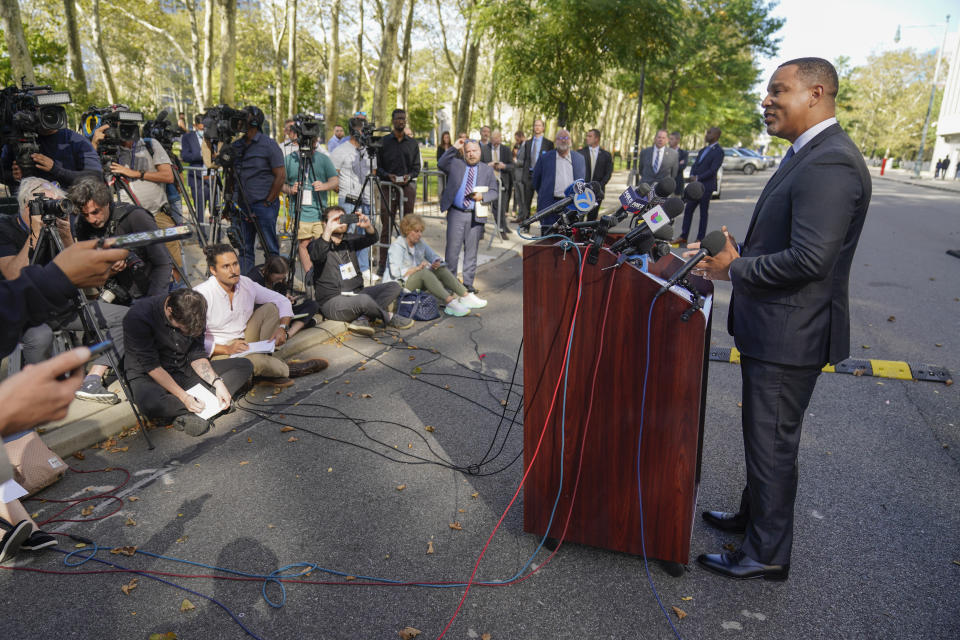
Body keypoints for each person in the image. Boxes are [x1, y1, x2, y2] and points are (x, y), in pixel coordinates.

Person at [690, 57, 871, 581]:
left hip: (791, 334)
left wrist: (736, 267)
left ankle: (766, 552)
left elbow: (812, 260)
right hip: (776, 327)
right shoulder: (808, 153)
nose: (765, 100)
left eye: (778, 90)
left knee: (772, 442)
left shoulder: (831, 162)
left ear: (816, 94)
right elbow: (791, 242)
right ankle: (754, 520)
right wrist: (744, 250)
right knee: (763, 438)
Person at [0, 177, 129, 404]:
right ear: (27, 207)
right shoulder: (5, 229)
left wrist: (67, 235)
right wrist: (35, 233)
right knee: (41, 336)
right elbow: (13, 275)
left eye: (59, 206)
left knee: (126, 317)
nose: (56, 212)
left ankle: (92, 379)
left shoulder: (57, 226)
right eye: (49, 205)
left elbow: (85, 282)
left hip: (60, 307)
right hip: (23, 310)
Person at [123, 288, 253, 436]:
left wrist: (217, 382)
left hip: (182, 367)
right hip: (149, 375)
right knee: (151, 403)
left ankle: (193, 412)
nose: (189, 334)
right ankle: (203, 405)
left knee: (244, 365)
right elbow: (152, 367)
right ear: (170, 311)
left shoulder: (196, 312)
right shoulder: (138, 317)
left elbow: (196, 355)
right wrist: (184, 398)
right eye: (184, 330)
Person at [194, 244, 328, 386]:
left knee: (272, 308)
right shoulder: (201, 295)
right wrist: (226, 348)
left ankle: (262, 367)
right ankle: (287, 369)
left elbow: (282, 301)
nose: (233, 271)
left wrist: (282, 327)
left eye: (235, 264)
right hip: (220, 351)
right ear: (213, 270)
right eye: (226, 266)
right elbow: (194, 341)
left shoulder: (245, 283)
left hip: (244, 339)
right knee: (251, 362)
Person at [91, 114, 184, 270]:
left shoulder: (150, 144)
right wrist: (94, 144)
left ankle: (177, 291)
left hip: (157, 214)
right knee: (139, 264)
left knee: (174, 263)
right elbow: (90, 173)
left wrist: (135, 173)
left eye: (131, 126)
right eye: (122, 128)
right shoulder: (108, 150)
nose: (127, 132)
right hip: (127, 219)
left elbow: (168, 176)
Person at [307, 205, 412, 336]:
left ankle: (363, 318)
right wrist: (327, 231)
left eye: (343, 218)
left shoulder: (348, 240)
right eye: (335, 220)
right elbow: (317, 255)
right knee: (364, 300)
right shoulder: (315, 245)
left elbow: (372, 238)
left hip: (357, 294)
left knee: (394, 286)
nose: (340, 222)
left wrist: (368, 226)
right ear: (325, 223)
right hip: (332, 301)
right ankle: (388, 317)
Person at [70, 177, 173, 304]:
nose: (91, 219)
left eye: (95, 212)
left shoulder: (136, 217)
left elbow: (163, 263)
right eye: (85, 214)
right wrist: (109, 269)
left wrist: (153, 305)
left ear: (106, 202)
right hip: (116, 293)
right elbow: (89, 269)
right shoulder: (82, 224)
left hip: (148, 290)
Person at [1, 88, 102, 191]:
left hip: (69, 203)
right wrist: (13, 177)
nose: (49, 116)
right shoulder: (17, 140)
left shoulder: (76, 141)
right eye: (42, 110)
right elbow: (2, 174)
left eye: (51, 110)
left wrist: (56, 170)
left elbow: (96, 178)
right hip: (26, 204)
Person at [385, 214, 484, 317]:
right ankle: (450, 302)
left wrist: (436, 262)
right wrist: (417, 269)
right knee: (423, 273)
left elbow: (433, 256)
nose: (419, 235)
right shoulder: (397, 246)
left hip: (414, 281)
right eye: (416, 231)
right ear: (407, 231)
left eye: (421, 231)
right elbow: (395, 273)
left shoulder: (419, 243)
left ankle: (465, 296)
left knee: (440, 268)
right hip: (399, 286)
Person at [228, 106, 286, 274]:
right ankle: (246, 287)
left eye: (243, 119)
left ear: (253, 122)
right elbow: (231, 174)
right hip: (241, 207)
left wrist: (268, 202)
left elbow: (280, 176)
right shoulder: (236, 146)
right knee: (245, 250)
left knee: (270, 249)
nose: (239, 123)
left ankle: (274, 286)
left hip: (263, 206)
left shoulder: (269, 145)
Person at [439, 138, 498, 295]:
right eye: (468, 151)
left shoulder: (487, 170)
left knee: (471, 251)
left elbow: (494, 192)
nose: (471, 154)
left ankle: (468, 284)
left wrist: (482, 196)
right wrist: (454, 147)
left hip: (475, 215)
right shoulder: (456, 164)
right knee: (452, 251)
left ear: (480, 151)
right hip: (456, 213)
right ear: (464, 153)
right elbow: (441, 163)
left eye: (475, 151)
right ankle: (450, 284)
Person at [282, 135, 339, 278]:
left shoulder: (323, 159)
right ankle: (309, 277)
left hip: (320, 211)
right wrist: (290, 189)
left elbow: (335, 180)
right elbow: (279, 183)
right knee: (304, 244)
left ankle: (322, 275)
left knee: (323, 243)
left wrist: (324, 186)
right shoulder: (290, 159)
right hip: (300, 212)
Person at [375, 108, 421, 275]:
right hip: (388, 186)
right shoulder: (384, 142)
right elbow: (377, 167)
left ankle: (408, 262)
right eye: (398, 118)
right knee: (386, 225)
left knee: (409, 224)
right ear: (393, 121)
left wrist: (409, 176)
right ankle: (382, 264)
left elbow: (417, 168)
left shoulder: (412, 143)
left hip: (407, 187)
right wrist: (388, 176)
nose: (401, 121)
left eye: (403, 118)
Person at [329, 117, 374, 281]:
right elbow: (332, 172)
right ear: (354, 131)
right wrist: (339, 188)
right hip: (348, 200)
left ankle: (363, 268)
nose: (365, 133)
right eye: (363, 129)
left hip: (367, 199)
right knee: (346, 234)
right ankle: (345, 269)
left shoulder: (369, 150)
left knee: (364, 234)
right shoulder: (341, 150)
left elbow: (373, 171)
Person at [247, 255, 320, 338]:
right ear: (268, 272)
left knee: (312, 305)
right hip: (266, 315)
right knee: (272, 310)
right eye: (278, 278)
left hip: (281, 312)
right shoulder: (254, 278)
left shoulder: (279, 279)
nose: (281, 281)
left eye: (283, 278)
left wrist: (287, 298)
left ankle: (287, 334)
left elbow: (282, 294)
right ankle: (298, 324)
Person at [675, 127, 723, 245]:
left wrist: (698, 177)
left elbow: (713, 169)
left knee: (703, 213)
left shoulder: (719, 151)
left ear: (716, 135)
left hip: (706, 187)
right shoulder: (703, 150)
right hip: (695, 187)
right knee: (688, 210)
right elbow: (696, 165)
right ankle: (684, 236)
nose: (706, 134)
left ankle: (700, 239)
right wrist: (692, 175)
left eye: (709, 132)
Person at [531, 128, 585, 232]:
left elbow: (581, 183)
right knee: (548, 238)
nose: (563, 140)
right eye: (560, 138)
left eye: (566, 138)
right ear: (556, 141)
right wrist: (545, 193)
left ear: (570, 140)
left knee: (569, 240)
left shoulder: (579, 159)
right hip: (550, 205)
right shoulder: (545, 158)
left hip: (571, 206)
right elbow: (536, 181)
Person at [180, 115, 215, 224]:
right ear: (195, 126)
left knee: (215, 211)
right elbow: (185, 156)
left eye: (205, 128)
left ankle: (217, 237)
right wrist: (204, 156)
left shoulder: (213, 135)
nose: (203, 131)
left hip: (213, 179)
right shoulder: (187, 137)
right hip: (197, 180)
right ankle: (202, 238)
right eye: (201, 129)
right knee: (200, 211)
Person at [518, 119, 553, 222]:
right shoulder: (527, 143)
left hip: (542, 176)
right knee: (526, 202)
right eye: (535, 125)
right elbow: (525, 160)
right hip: (529, 175)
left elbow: (550, 162)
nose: (537, 127)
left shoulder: (549, 144)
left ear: (543, 128)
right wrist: (523, 177)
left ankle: (542, 223)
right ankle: (526, 223)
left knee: (542, 201)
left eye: (539, 125)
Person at [483, 130, 514, 239]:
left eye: (498, 138)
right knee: (490, 206)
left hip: (502, 181)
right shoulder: (484, 149)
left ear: (501, 138)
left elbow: (512, 166)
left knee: (501, 206)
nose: (496, 141)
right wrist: (488, 165)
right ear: (490, 139)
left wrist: (504, 166)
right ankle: (495, 229)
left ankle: (503, 227)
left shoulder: (506, 150)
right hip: (488, 182)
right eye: (494, 139)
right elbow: (479, 165)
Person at [580, 129, 613, 221]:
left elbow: (608, 173)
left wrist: (599, 186)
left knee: (592, 218)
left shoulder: (606, 155)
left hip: (597, 192)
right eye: (587, 136)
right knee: (579, 218)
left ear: (597, 139)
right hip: (581, 191)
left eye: (590, 136)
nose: (587, 138)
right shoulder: (580, 153)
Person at [669, 131, 689, 196]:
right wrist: (677, 163)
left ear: (677, 140)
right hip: (664, 186)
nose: (669, 141)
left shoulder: (684, 153)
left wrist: (669, 165)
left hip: (677, 187)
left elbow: (681, 167)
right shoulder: (664, 152)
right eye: (669, 139)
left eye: (672, 139)